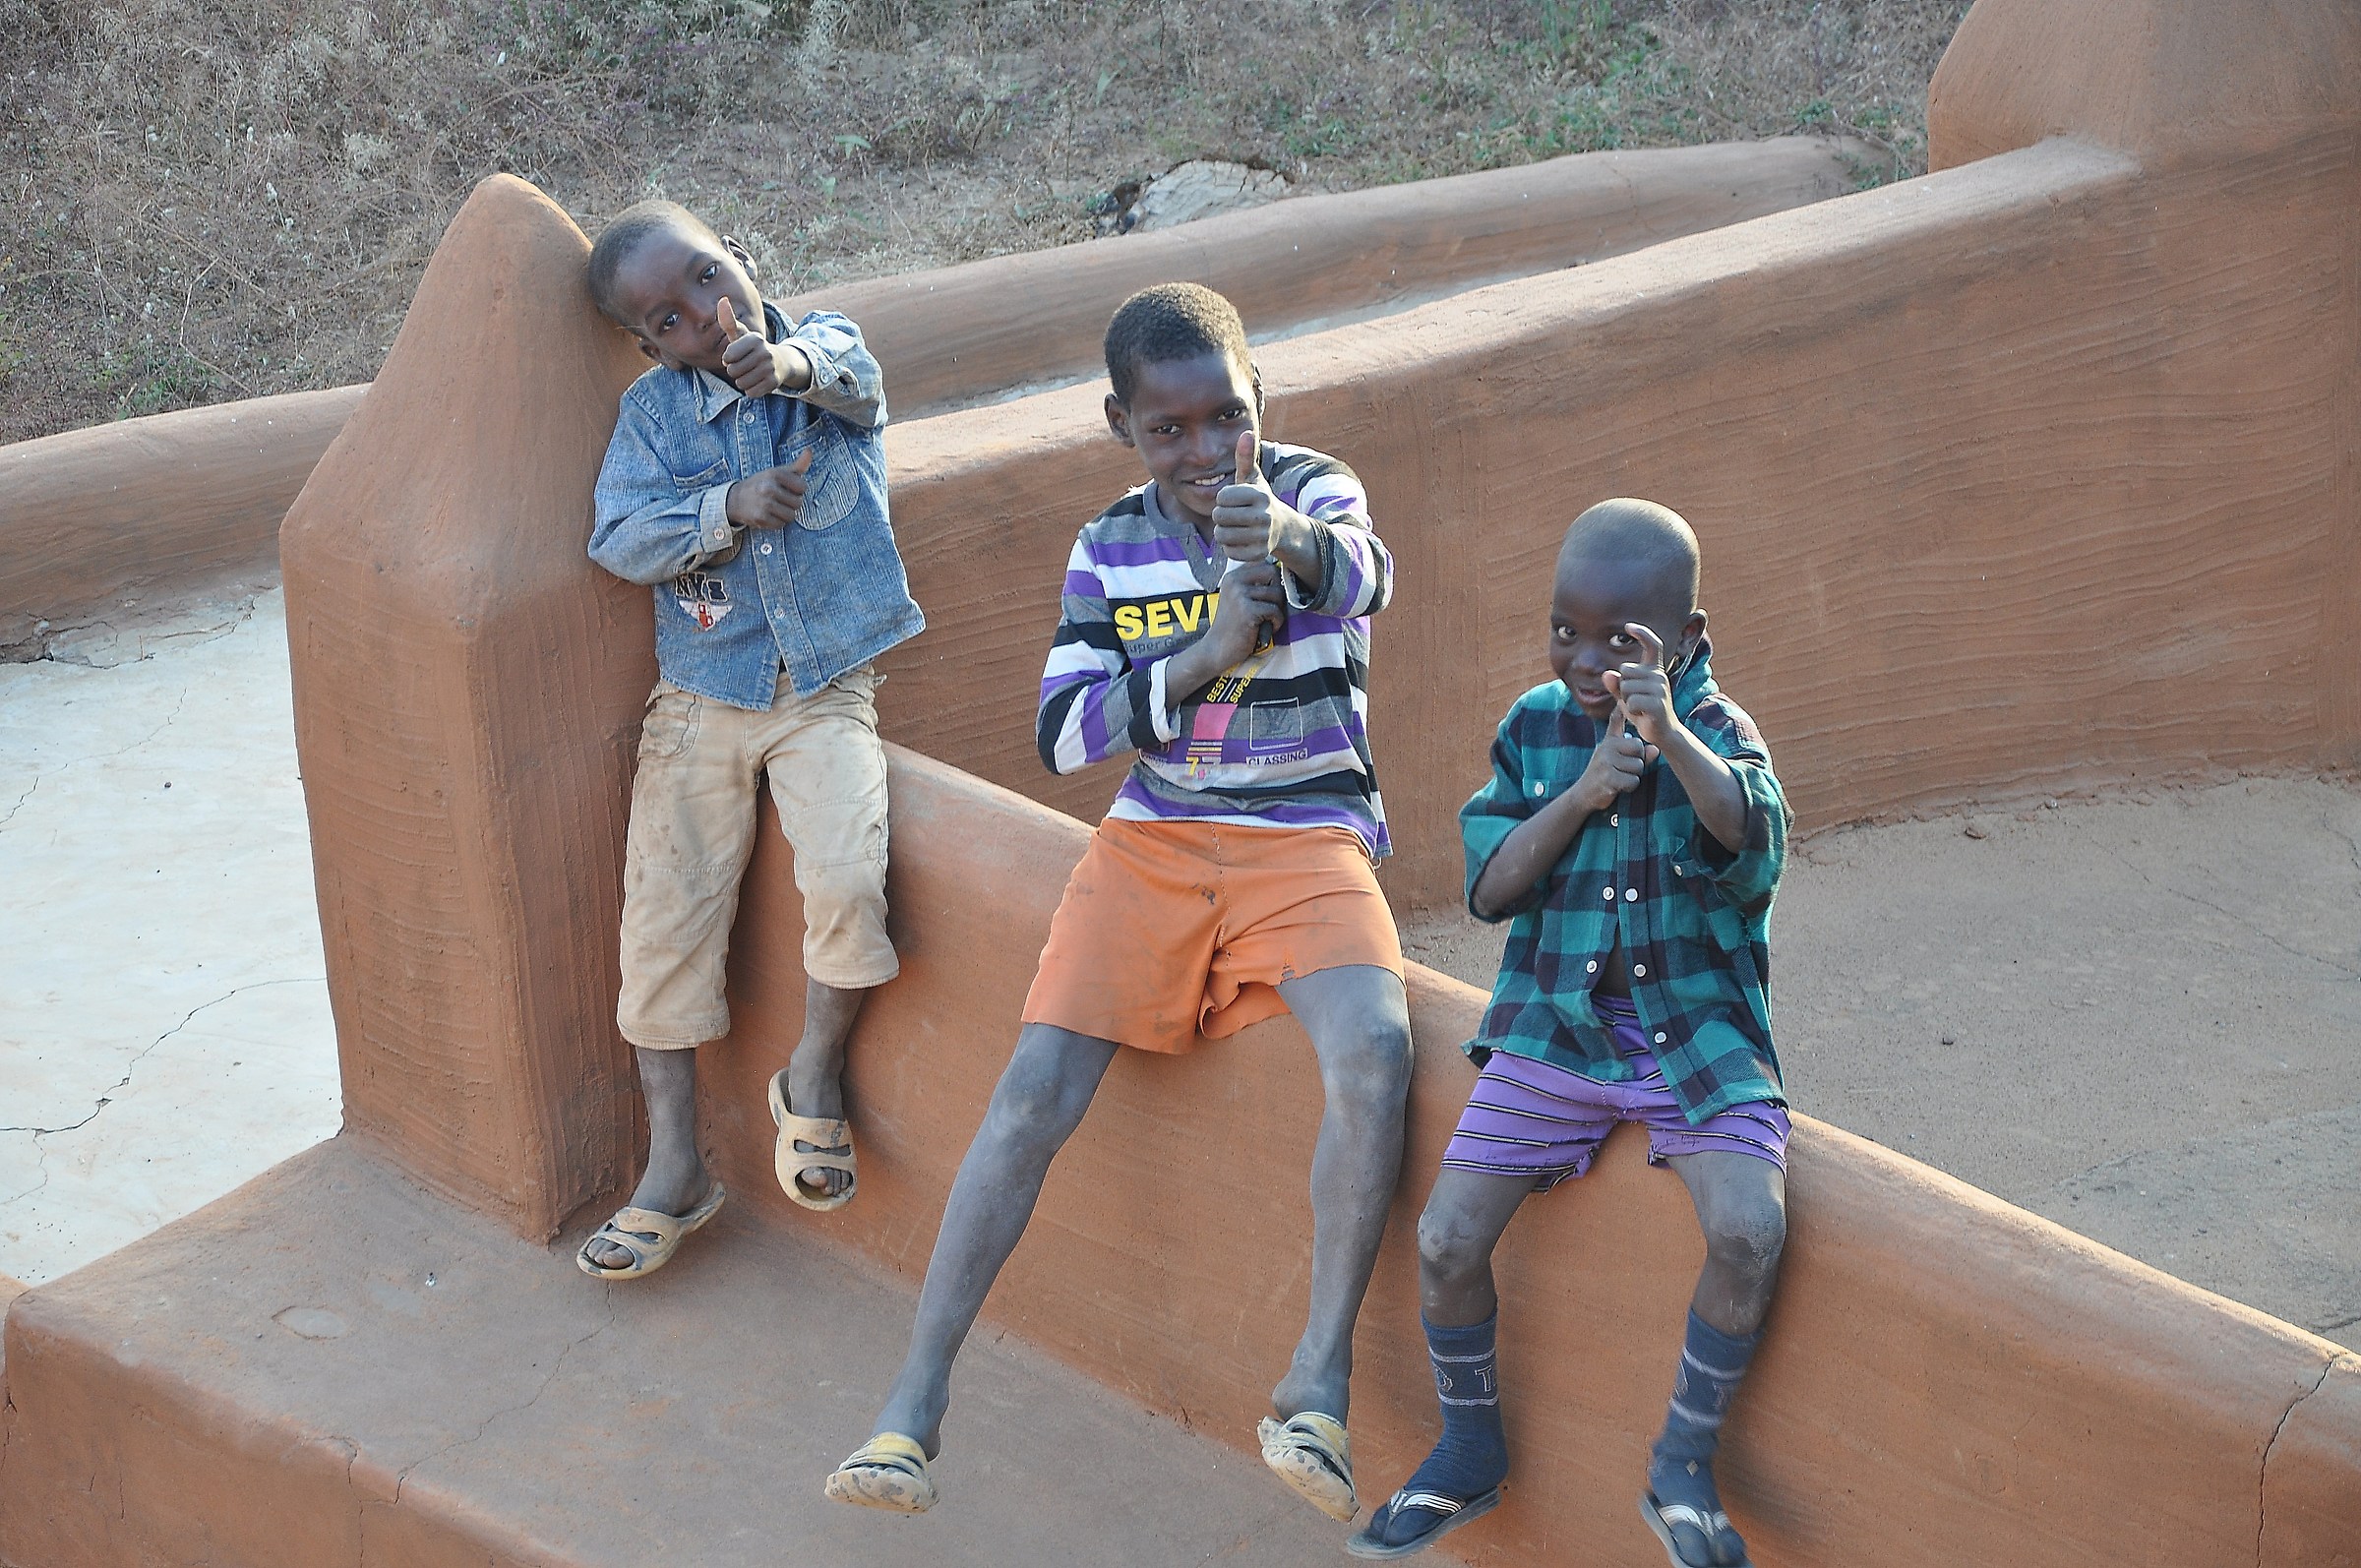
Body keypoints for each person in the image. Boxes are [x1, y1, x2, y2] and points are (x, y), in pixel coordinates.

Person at [824, 282, 1411, 1521]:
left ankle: (1319, 1381)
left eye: (1227, 420)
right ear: (1120, 426)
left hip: (1306, 835)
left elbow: (1368, 580)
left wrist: (1289, 549)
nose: (1205, 453)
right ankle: (910, 1408)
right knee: (1032, 1092)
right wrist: (1199, 655)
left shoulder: (1313, 491)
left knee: (1374, 1050)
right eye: (1171, 430)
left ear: (1263, 406)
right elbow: (1062, 733)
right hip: (1153, 841)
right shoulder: (1108, 545)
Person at [1348, 499, 1791, 1568]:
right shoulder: (1538, 726)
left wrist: (1668, 736)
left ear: (1685, 639)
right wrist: (1586, 792)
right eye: (1566, 630)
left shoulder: (1719, 733)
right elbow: (1490, 890)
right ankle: (1468, 1449)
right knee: (1447, 1238)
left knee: (1749, 1229)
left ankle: (1683, 1462)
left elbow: (1755, 847)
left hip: (1700, 1036)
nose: (1587, 659)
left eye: (1621, 639)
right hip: (1557, 1030)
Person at [575, 199, 923, 1279]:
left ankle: (812, 1074)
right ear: (648, 346)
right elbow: (619, 536)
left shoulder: (828, 351)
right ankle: (674, 1165)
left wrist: (787, 364)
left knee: (850, 881)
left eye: (708, 279)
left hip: (823, 692)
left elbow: (851, 379)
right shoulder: (650, 420)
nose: (703, 315)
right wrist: (725, 505)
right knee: (665, 919)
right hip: (700, 695)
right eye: (669, 318)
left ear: (745, 261)